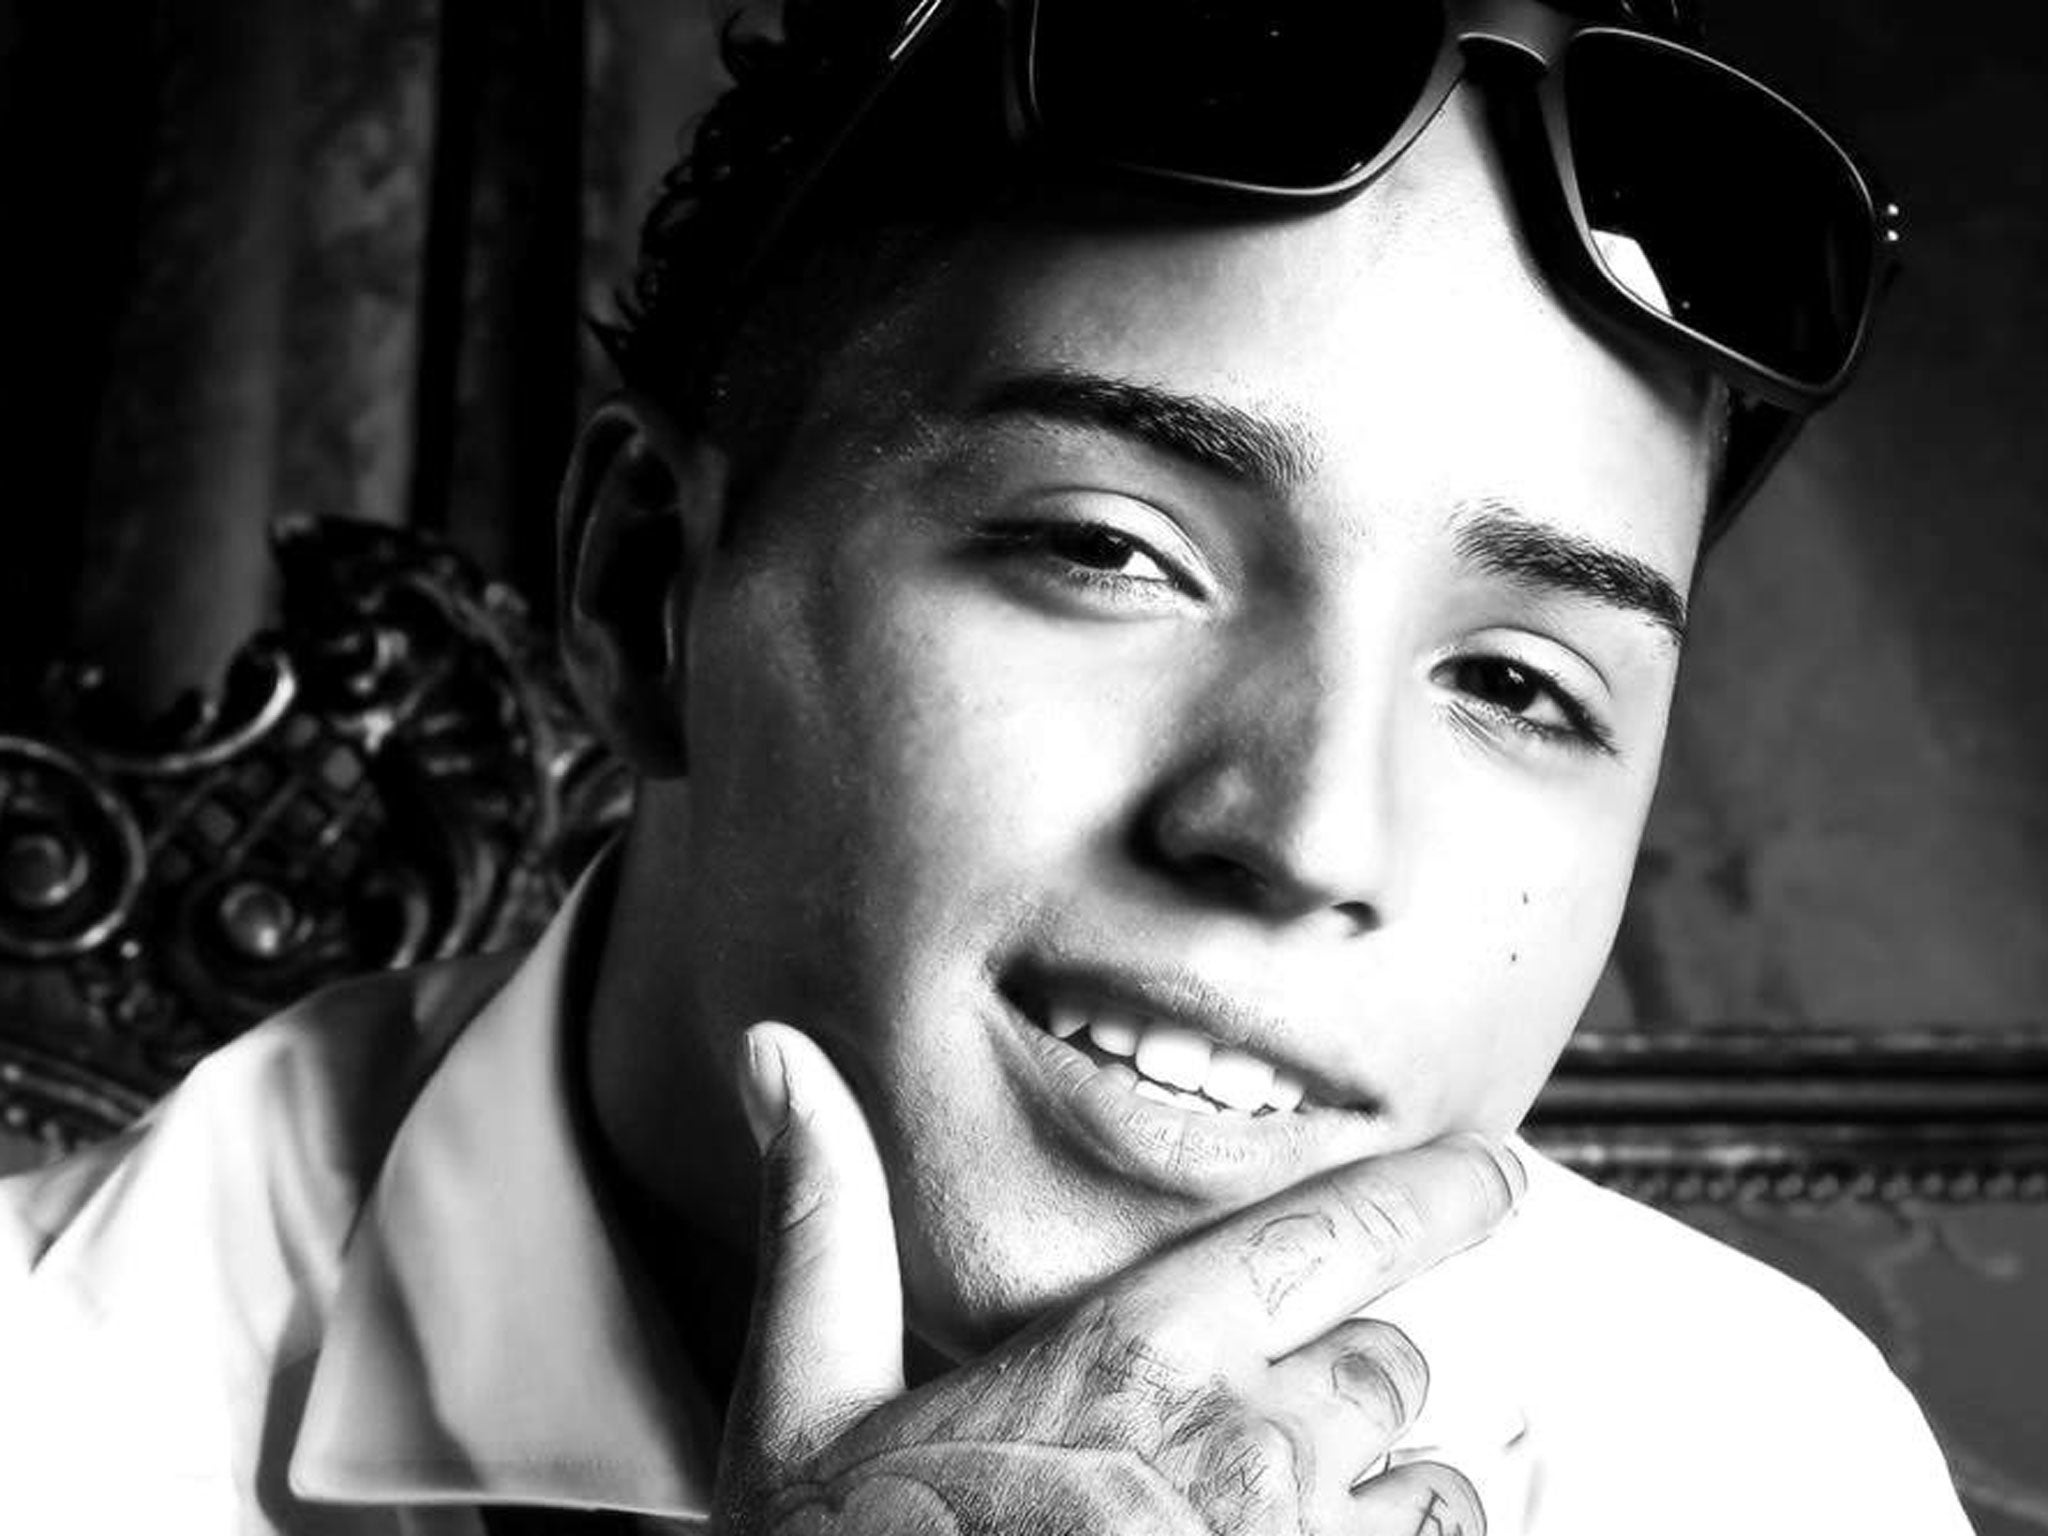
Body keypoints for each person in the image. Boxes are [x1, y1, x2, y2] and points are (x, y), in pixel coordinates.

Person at [0, 1, 1975, 1532]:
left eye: (1523, 686)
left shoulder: (1749, 1449)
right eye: (1107, 550)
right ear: (641, 592)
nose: (1306, 831)